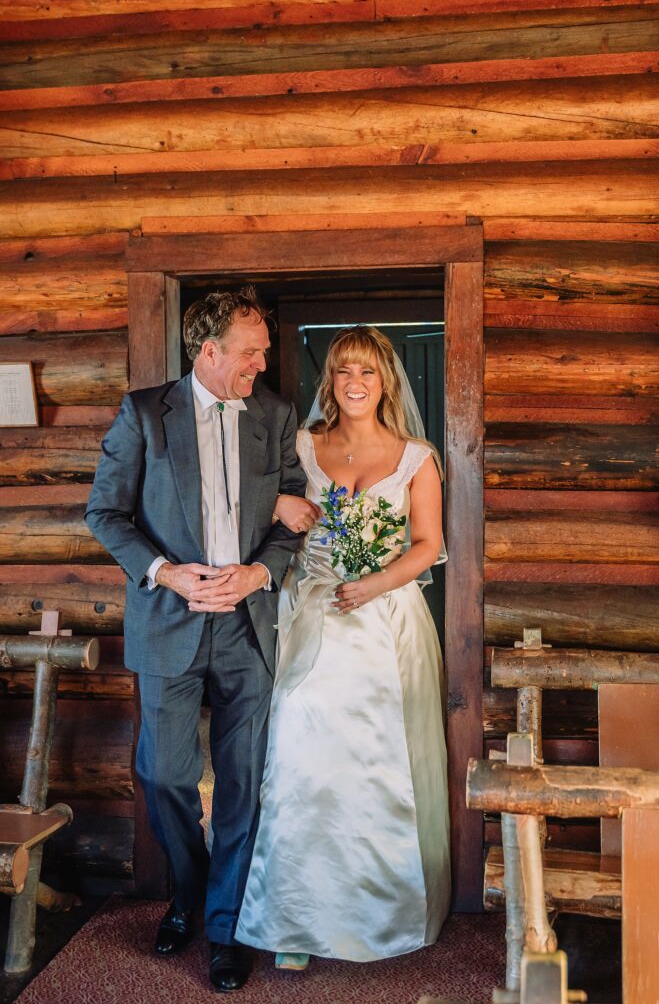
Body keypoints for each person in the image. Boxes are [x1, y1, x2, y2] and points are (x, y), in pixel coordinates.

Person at [85, 287, 310, 993]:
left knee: (243, 784)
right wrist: (166, 573)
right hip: (168, 621)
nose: (261, 364)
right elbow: (104, 513)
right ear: (209, 351)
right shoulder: (144, 414)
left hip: (247, 627)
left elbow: (293, 517)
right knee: (163, 774)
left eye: (262, 352)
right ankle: (189, 891)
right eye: (250, 352)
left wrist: (259, 573)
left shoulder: (274, 415)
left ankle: (224, 927)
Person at [236, 325, 451, 968]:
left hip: (387, 619)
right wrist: (281, 504)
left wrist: (375, 584)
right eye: (342, 372)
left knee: (383, 759)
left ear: (386, 381)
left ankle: (385, 913)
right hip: (313, 613)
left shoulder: (416, 458)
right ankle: (294, 918)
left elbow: (428, 545)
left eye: (366, 372)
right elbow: (256, 503)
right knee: (300, 751)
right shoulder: (304, 445)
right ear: (330, 382)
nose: (355, 383)